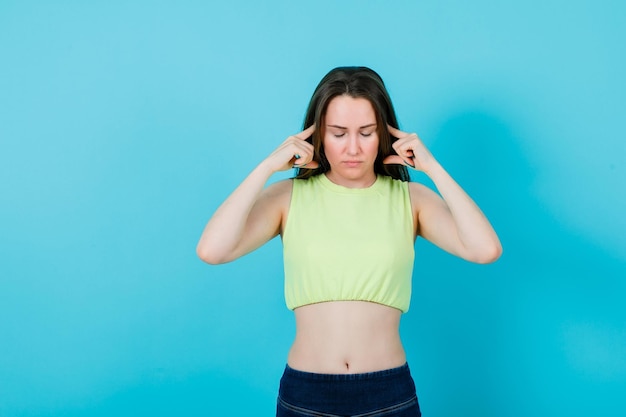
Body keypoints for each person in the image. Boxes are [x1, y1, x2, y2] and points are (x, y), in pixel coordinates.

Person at [196, 66, 502, 417]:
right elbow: (212, 250)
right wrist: (266, 167)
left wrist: (433, 169)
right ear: (318, 135)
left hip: (389, 394)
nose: (353, 148)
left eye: (366, 133)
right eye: (338, 133)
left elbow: (485, 249)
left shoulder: (411, 199)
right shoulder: (288, 197)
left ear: (384, 133)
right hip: (306, 394)